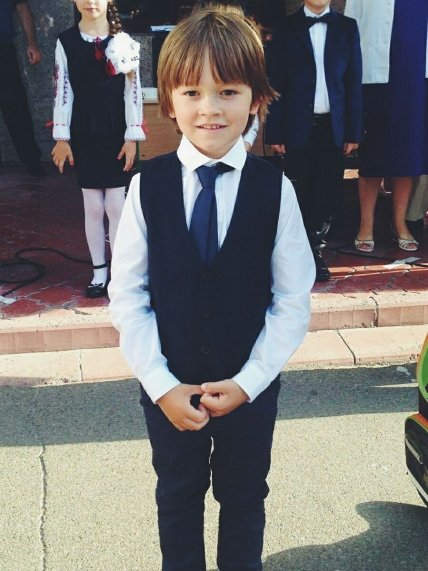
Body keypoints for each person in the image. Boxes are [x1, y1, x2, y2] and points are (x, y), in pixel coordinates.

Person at [109, 8, 315, 570]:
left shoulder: (276, 189)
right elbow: (128, 295)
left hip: (251, 386)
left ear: (256, 98)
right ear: (169, 101)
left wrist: (250, 382)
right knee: (177, 496)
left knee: (244, 497)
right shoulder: (146, 187)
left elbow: (292, 298)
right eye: (192, 92)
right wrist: (160, 385)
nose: (210, 109)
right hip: (168, 386)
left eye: (228, 91)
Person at [51, 0, 145, 298]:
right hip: (84, 131)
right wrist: (62, 137)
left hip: (116, 131)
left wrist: (132, 136)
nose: (91, 2)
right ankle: (99, 272)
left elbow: (133, 92)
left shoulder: (124, 42)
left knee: (116, 205)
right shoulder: (66, 41)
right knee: (92, 206)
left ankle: (119, 273)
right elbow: (62, 90)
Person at [265, 0, 363, 281]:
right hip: (298, 126)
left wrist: (353, 130)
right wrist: (275, 130)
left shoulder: (347, 28)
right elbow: (275, 82)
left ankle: (315, 250)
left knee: (327, 191)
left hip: (333, 126)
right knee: (299, 189)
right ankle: (296, 252)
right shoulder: (286, 28)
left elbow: (353, 81)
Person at [345, 0, 428, 253]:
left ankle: (400, 223)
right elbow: (350, 24)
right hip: (373, 77)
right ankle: (366, 224)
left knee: (407, 155)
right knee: (373, 153)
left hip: (414, 76)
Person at [0, 0, 45, 176]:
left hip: (3, 47)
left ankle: (32, 161)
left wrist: (32, 44)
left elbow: (21, 6)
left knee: (15, 105)